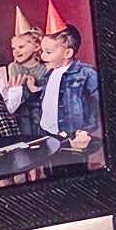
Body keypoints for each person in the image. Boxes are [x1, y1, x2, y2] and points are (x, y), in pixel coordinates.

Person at [37, 22, 102, 152]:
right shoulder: (49, 74)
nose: (42, 56)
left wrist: (88, 129)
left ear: (67, 53)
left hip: (74, 135)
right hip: (49, 133)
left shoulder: (86, 73)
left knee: (74, 161)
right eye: (42, 51)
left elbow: (101, 102)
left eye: (48, 52)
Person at [3, 11, 47, 99]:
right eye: (13, 48)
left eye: (21, 47)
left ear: (36, 47)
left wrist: (35, 88)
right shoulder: (13, 67)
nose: (16, 51)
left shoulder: (45, 68)